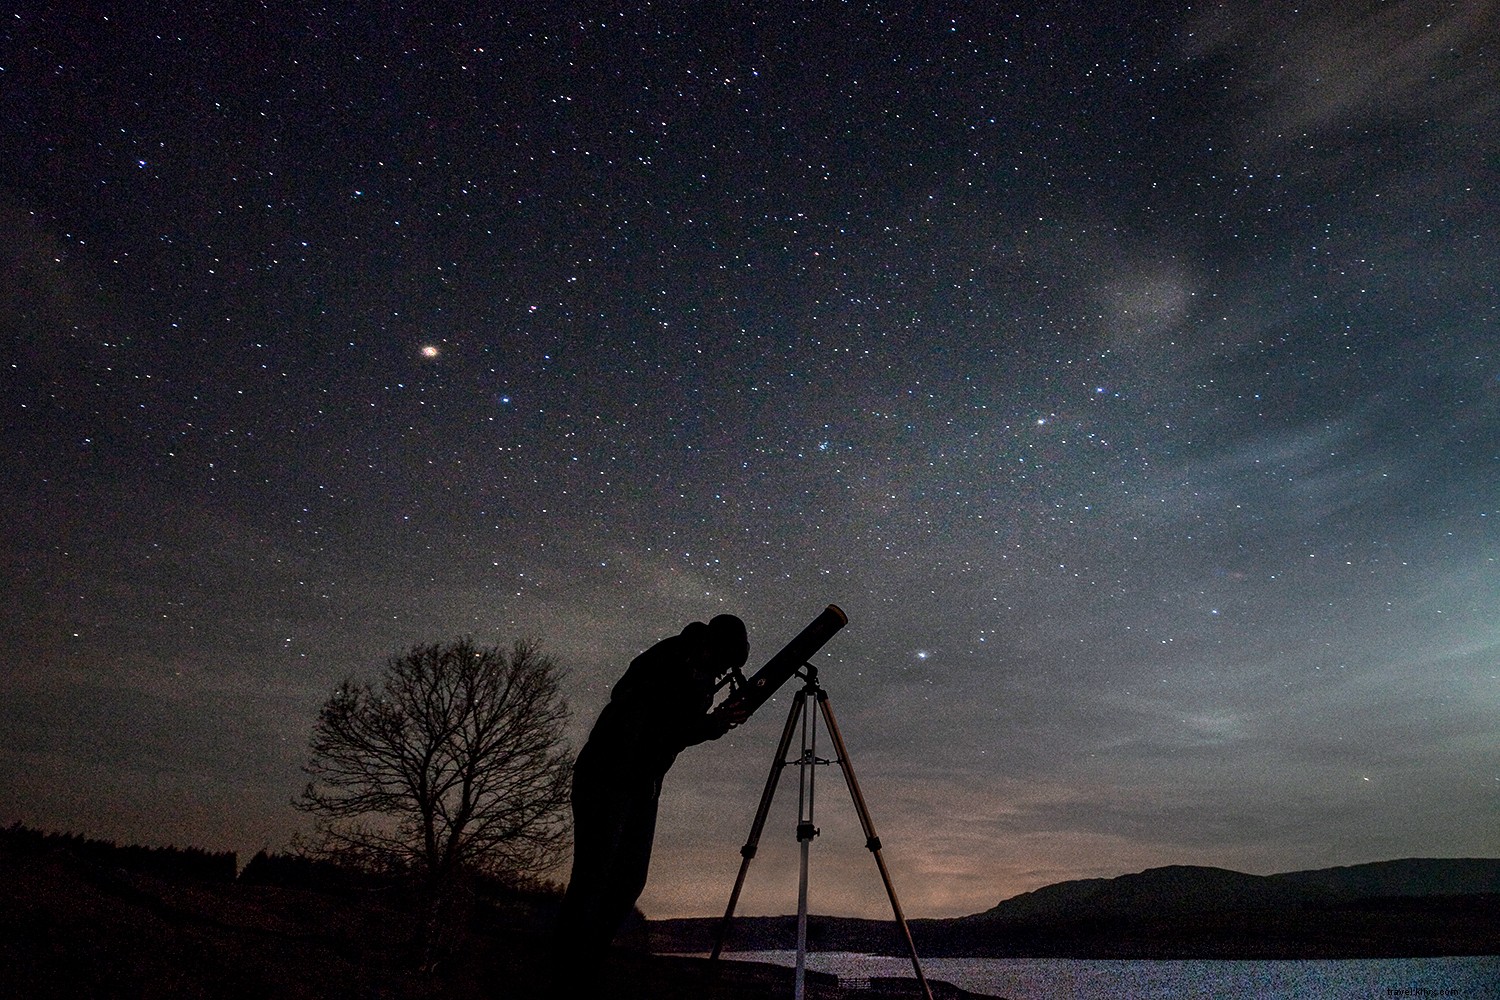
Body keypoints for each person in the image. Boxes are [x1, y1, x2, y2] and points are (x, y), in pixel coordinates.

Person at [551, 613, 751, 993]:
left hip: (641, 784)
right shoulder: (670, 660)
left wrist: (712, 722)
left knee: (627, 882)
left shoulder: (701, 670)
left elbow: (672, 731)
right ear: (710, 645)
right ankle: (564, 974)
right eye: (724, 659)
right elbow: (649, 726)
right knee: (593, 878)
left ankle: (583, 969)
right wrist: (711, 724)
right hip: (608, 778)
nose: (724, 668)